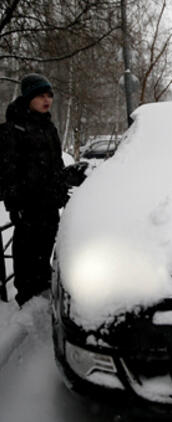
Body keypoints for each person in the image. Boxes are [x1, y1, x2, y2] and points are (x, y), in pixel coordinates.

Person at [0, 73, 68, 306]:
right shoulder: (13, 129)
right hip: (28, 205)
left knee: (45, 247)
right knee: (26, 253)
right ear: (28, 97)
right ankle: (27, 299)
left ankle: (43, 292)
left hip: (49, 203)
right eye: (40, 95)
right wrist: (15, 204)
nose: (47, 100)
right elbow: (8, 171)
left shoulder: (48, 127)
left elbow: (55, 164)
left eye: (49, 95)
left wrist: (62, 186)